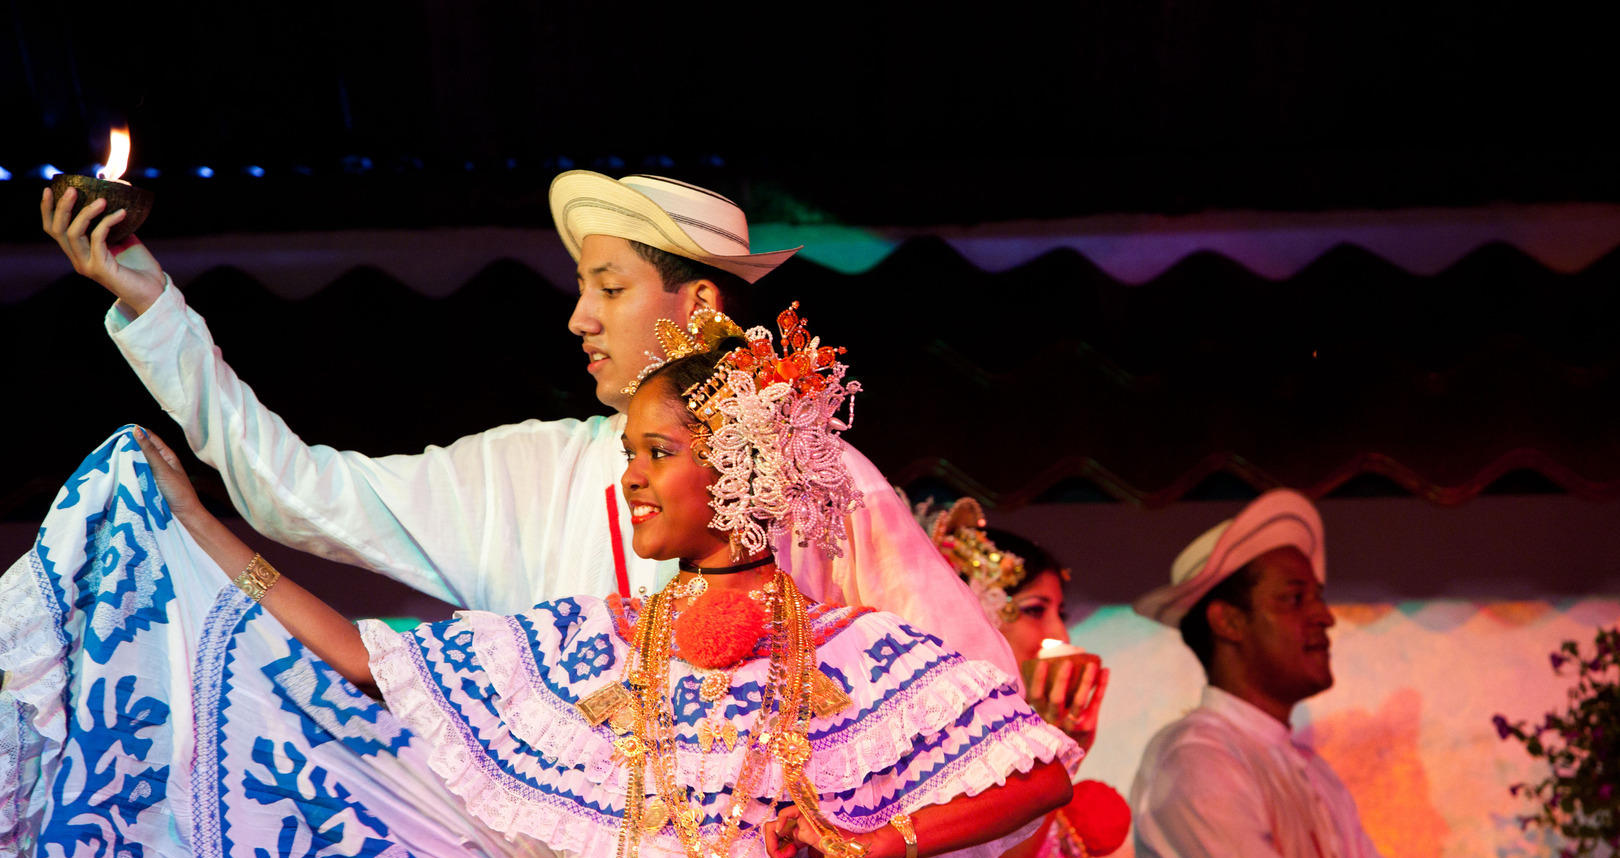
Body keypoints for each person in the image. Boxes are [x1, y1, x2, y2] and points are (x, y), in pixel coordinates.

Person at [1, 303, 1082, 858]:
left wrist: (866, 845)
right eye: (630, 452)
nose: (633, 477)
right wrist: (209, 542)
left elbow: (1037, 771)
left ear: (741, 472)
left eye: (657, 452)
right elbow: (369, 657)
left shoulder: (847, 651)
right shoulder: (596, 639)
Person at [39, 171, 1016, 681]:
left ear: (703, 302)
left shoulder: (824, 483)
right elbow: (301, 493)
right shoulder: (539, 475)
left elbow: (966, 683)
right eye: (580, 288)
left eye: (611, 287)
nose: (578, 318)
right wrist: (156, 313)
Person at [1128, 488, 1620, 858]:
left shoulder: (1313, 778)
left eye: (1319, 598)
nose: (1324, 616)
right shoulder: (1194, 761)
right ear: (1227, 620)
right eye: (1294, 598)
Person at [888, 501, 1134, 858]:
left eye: (1060, 611)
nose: (1059, 634)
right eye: (1034, 610)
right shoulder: (935, 758)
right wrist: (1052, 763)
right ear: (971, 614)